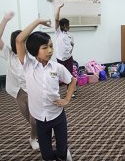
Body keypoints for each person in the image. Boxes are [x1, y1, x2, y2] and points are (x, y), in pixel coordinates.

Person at [16, 18, 76, 160]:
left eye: (51, 46)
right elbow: (19, 40)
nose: (50, 51)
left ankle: (64, 153)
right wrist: (37, 22)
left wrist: (67, 99)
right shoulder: (28, 65)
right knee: (47, 156)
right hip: (40, 118)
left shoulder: (57, 67)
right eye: (45, 47)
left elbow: (72, 81)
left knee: (61, 154)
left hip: (57, 116)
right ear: (34, 50)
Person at [0, 11, 39, 150]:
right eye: (21, 41)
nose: (24, 43)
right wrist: (5, 19)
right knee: (30, 119)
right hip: (19, 93)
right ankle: (39, 130)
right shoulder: (9, 54)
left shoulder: (31, 56)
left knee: (34, 120)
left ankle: (33, 138)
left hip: (33, 91)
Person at [55, 3, 76, 96]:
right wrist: (59, 8)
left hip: (69, 58)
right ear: (62, 26)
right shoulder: (58, 32)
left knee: (69, 74)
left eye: (69, 24)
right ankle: (54, 91)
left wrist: (70, 52)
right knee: (59, 75)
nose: (69, 26)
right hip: (60, 58)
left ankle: (69, 91)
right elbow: (56, 19)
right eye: (67, 24)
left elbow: (72, 45)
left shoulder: (70, 35)